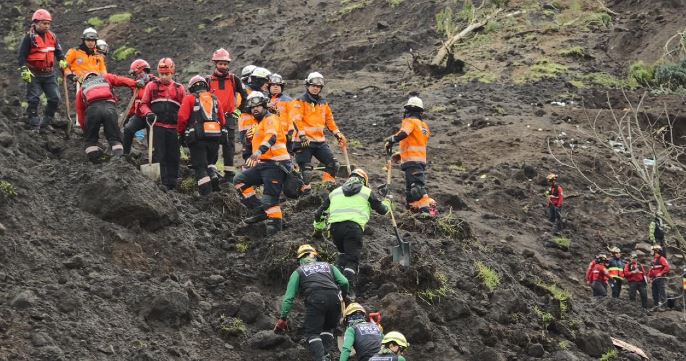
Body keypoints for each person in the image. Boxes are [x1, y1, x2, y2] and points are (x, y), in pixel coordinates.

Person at [313, 169, 390, 298]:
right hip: (353, 229)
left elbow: (319, 213)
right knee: (352, 260)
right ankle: (347, 291)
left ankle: (333, 286)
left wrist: (318, 229)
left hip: (335, 229)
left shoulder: (335, 192)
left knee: (343, 257)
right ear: (364, 181)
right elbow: (383, 210)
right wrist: (388, 201)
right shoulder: (366, 192)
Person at [274, 244, 350, 361]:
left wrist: (283, 317)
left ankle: (321, 358)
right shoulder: (328, 266)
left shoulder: (298, 271)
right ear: (315, 256)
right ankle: (325, 355)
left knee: (312, 333)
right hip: (335, 299)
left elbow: (289, 298)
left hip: (316, 299)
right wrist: (343, 296)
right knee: (328, 328)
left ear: (300, 260)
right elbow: (344, 282)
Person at [232, 92, 290, 235]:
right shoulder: (258, 124)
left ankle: (275, 232)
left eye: (258, 106)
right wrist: (248, 141)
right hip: (264, 164)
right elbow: (252, 142)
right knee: (239, 181)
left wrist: (257, 153)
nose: (255, 109)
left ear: (264, 105)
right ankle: (260, 211)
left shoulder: (271, 119)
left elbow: (271, 137)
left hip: (276, 164)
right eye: (252, 107)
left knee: (270, 200)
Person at [291, 72, 347, 192]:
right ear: (307, 85)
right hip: (304, 141)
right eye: (313, 86)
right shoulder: (299, 101)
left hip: (319, 141)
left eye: (318, 86)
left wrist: (337, 133)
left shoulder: (323, 103)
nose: (316, 88)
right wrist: (302, 135)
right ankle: (303, 192)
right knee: (306, 171)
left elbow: (329, 120)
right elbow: (296, 119)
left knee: (333, 165)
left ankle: (328, 187)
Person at [384, 96, 436, 218]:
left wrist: (391, 140)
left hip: (412, 162)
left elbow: (404, 133)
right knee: (410, 191)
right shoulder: (425, 127)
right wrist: (401, 154)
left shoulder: (409, 121)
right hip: (418, 161)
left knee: (416, 188)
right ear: (421, 112)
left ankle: (426, 210)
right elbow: (415, 143)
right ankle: (413, 213)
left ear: (407, 110)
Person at [138, 58, 185, 190]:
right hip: (156, 126)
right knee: (159, 154)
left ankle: (173, 183)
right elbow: (143, 104)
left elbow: (184, 108)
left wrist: (183, 127)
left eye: (167, 74)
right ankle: (162, 183)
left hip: (173, 128)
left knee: (174, 155)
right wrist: (148, 113)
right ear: (158, 73)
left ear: (172, 73)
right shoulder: (151, 86)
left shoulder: (179, 88)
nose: (164, 77)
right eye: (162, 74)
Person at [17, 9, 66, 133]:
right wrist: (24, 69)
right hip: (34, 73)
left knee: (54, 98)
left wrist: (62, 60)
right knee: (33, 99)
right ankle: (34, 125)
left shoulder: (53, 36)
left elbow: (58, 52)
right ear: (36, 23)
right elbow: (21, 56)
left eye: (48, 23)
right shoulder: (29, 37)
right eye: (44, 23)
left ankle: (46, 122)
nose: (46, 26)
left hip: (49, 73)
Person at [75, 72, 139, 162]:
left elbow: (80, 111)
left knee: (91, 140)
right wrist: (135, 83)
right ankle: (119, 161)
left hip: (92, 110)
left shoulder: (82, 88)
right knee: (115, 138)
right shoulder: (105, 77)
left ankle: (96, 162)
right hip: (109, 108)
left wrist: (85, 129)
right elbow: (120, 80)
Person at [177, 76, 226, 195]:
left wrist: (180, 133)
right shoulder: (215, 99)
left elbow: (182, 118)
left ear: (191, 88)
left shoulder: (189, 99)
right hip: (215, 137)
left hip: (197, 139)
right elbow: (223, 121)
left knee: (200, 167)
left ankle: (207, 195)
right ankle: (214, 178)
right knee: (210, 163)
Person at [207, 48, 247, 183]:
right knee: (212, 143)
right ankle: (211, 170)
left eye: (225, 64)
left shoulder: (234, 79)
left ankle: (229, 175)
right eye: (220, 64)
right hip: (213, 118)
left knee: (229, 145)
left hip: (229, 116)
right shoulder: (208, 80)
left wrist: (238, 111)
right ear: (215, 63)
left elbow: (245, 97)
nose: (223, 66)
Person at [122, 59, 156, 155]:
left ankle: (154, 158)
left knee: (152, 142)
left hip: (152, 116)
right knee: (128, 129)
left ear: (144, 71)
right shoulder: (136, 86)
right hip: (140, 116)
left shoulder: (155, 83)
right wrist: (128, 116)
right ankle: (125, 155)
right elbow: (134, 102)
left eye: (136, 74)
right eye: (134, 75)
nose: (135, 77)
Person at [267, 73, 295, 152]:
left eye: (278, 85)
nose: (276, 86)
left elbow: (292, 117)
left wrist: (291, 132)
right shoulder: (265, 101)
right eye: (273, 85)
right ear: (269, 87)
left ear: (281, 87)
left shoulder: (288, 100)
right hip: (268, 134)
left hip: (285, 135)